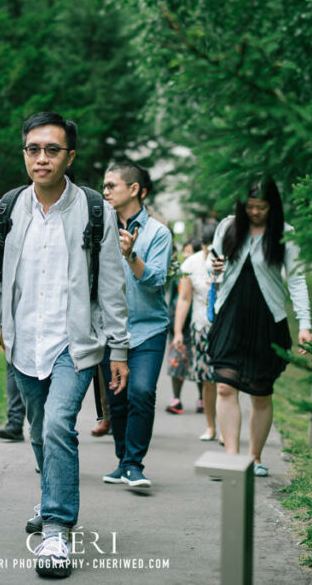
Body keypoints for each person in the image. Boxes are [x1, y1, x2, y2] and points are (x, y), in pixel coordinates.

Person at [0, 111, 130, 579]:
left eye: (51, 150)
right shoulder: (5, 210)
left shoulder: (95, 210)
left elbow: (111, 286)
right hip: (24, 344)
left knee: (60, 424)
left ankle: (57, 530)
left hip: (74, 343)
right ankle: (50, 500)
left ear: (70, 157)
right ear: (25, 153)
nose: (41, 158)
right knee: (39, 431)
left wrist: (118, 349)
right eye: (33, 149)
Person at [208, 176, 312, 477]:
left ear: (272, 206)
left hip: (267, 318)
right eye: (251, 207)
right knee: (225, 385)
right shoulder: (228, 227)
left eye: (262, 207)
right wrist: (213, 266)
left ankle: (254, 457)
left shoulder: (285, 233)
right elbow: (212, 264)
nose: (255, 212)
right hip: (230, 313)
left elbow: (297, 278)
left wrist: (305, 324)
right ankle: (231, 457)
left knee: (261, 392)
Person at [98, 162, 174, 490]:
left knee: (141, 392)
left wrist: (131, 256)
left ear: (134, 189)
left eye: (112, 185)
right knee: (116, 399)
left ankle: (133, 464)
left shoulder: (159, 233)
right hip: (109, 328)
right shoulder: (99, 226)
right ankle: (121, 461)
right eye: (104, 185)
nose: (105, 191)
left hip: (149, 329)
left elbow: (156, 280)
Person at [172, 224, 219, 440]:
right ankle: (211, 426)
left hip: (225, 327)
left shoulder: (231, 260)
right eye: (208, 248)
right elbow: (184, 299)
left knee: (226, 380)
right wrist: (178, 331)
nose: (212, 252)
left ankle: (226, 428)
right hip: (201, 326)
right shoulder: (191, 264)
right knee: (208, 380)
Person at [164, 239, 198, 415]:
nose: (187, 255)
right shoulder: (180, 274)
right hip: (178, 322)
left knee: (200, 360)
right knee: (177, 358)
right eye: (185, 251)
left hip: (197, 321)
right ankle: (176, 399)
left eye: (190, 251)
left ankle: (202, 399)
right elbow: (174, 301)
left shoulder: (202, 272)